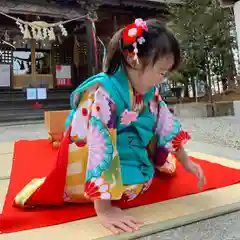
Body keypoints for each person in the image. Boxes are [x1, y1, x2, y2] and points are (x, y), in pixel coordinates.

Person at [14, 19, 206, 235]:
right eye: (161, 72)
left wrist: (186, 161)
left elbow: (165, 124)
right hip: (91, 160)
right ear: (133, 60)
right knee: (124, 182)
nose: (162, 79)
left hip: (129, 158)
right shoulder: (102, 92)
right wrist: (104, 208)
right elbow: (98, 144)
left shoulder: (149, 93)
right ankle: (101, 194)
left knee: (142, 176)